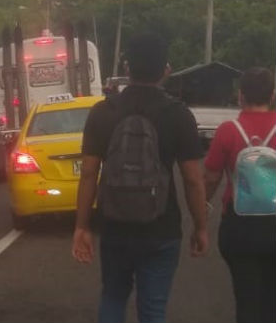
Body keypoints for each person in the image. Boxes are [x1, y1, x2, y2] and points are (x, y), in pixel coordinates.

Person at [72, 33, 209, 323]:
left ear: (126, 68)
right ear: (166, 71)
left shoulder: (103, 112)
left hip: (114, 226)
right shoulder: (178, 114)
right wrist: (201, 226)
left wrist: (82, 226)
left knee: (112, 297)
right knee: (153, 309)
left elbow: (88, 173)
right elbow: (193, 180)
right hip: (162, 229)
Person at [203, 67, 276, 323]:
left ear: (240, 96)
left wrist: (200, 208)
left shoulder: (228, 130)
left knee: (246, 298)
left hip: (239, 226)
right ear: (273, 95)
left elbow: (211, 177)